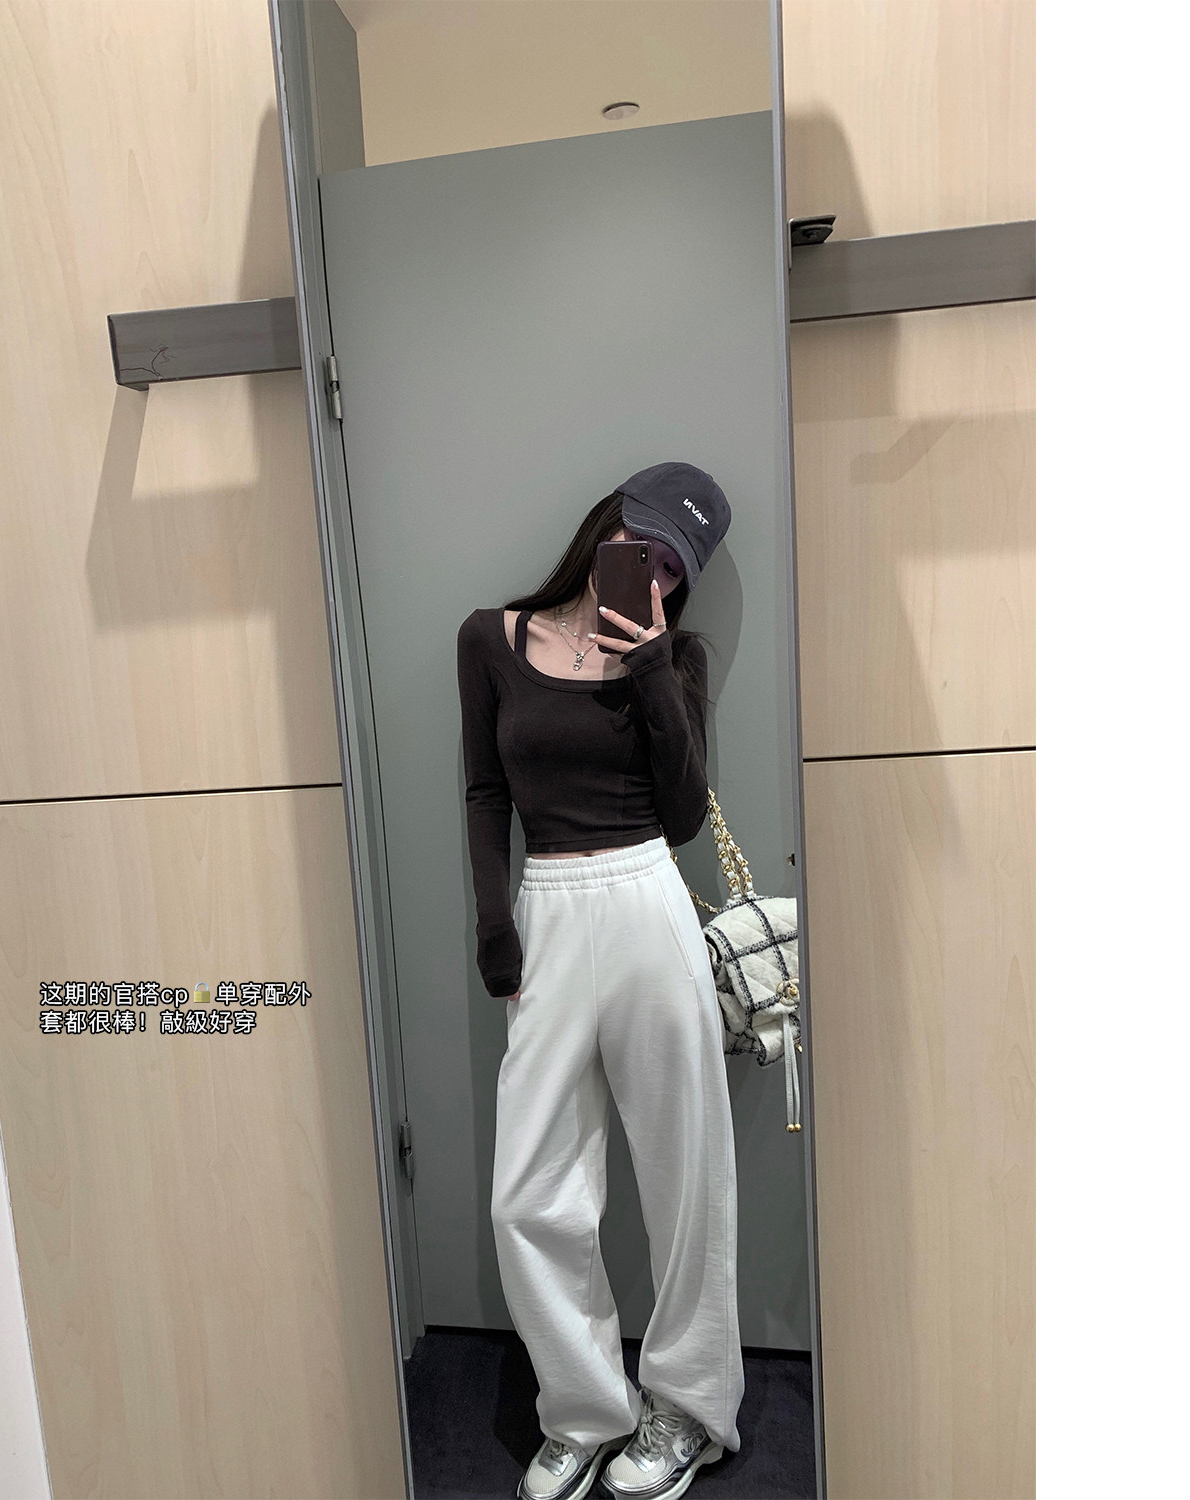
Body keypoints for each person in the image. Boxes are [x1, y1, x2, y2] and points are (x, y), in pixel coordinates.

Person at [456, 462, 745, 1500]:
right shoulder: (490, 638)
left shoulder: (677, 657)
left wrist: (655, 667)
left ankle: (690, 1408)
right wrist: (495, 925)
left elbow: (683, 813)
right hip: (547, 905)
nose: (651, 574)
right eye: (641, 548)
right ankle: (583, 1409)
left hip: (646, 897)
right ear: (605, 527)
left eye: (672, 568)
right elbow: (486, 791)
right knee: (528, 1191)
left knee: (686, 1171)